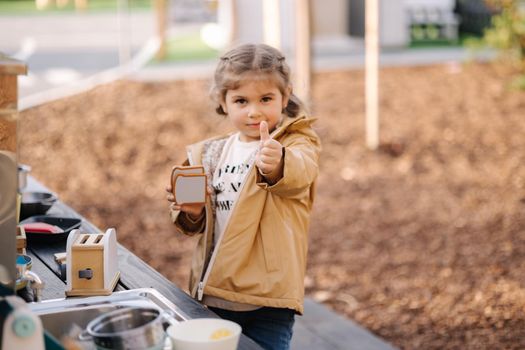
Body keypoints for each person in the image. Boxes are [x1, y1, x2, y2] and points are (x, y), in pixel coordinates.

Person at [166, 43, 321, 350]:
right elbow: (194, 224)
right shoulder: (208, 154)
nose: (254, 111)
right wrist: (193, 211)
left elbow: (301, 174)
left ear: (285, 96)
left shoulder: (296, 143)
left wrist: (278, 163)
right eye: (241, 100)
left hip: (269, 299)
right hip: (215, 293)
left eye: (266, 99)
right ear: (222, 102)